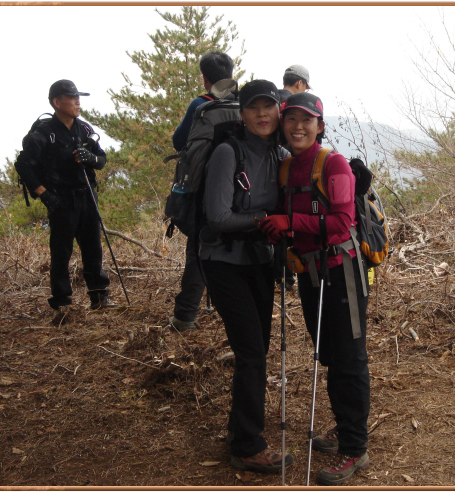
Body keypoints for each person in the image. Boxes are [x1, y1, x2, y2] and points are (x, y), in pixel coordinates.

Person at [258, 92, 371, 485]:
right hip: (310, 273)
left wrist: (289, 223)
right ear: (282, 125)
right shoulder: (287, 168)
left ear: (320, 126)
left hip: (342, 272)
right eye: (291, 120)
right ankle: (346, 426)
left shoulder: (334, 164)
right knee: (329, 354)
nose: (298, 127)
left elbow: (342, 223)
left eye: (307, 120)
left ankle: (355, 448)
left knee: (349, 358)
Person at [199, 79, 293, 472]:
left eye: (268, 107)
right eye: (253, 107)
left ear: (278, 112)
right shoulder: (227, 152)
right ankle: (246, 444)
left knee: (257, 350)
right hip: (223, 261)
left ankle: (243, 426)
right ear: (241, 113)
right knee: (251, 352)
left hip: (258, 260)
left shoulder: (281, 154)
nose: (261, 114)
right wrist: (263, 220)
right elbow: (218, 215)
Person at [15, 80, 117, 323]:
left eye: (78, 97)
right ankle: (62, 303)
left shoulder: (83, 128)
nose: (77, 102)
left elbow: (102, 160)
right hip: (60, 200)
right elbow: (23, 165)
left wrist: (90, 157)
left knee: (93, 247)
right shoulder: (43, 133)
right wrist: (44, 194)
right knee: (61, 252)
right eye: (72, 98)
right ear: (57, 102)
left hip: (87, 196)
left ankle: (99, 296)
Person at [169, 51, 238, 331]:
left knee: (198, 251)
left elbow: (178, 141)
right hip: (241, 189)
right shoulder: (246, 104)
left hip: (204, 191)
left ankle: (185, 316)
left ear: (205, 78)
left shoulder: (201, 105)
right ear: (231, 74)